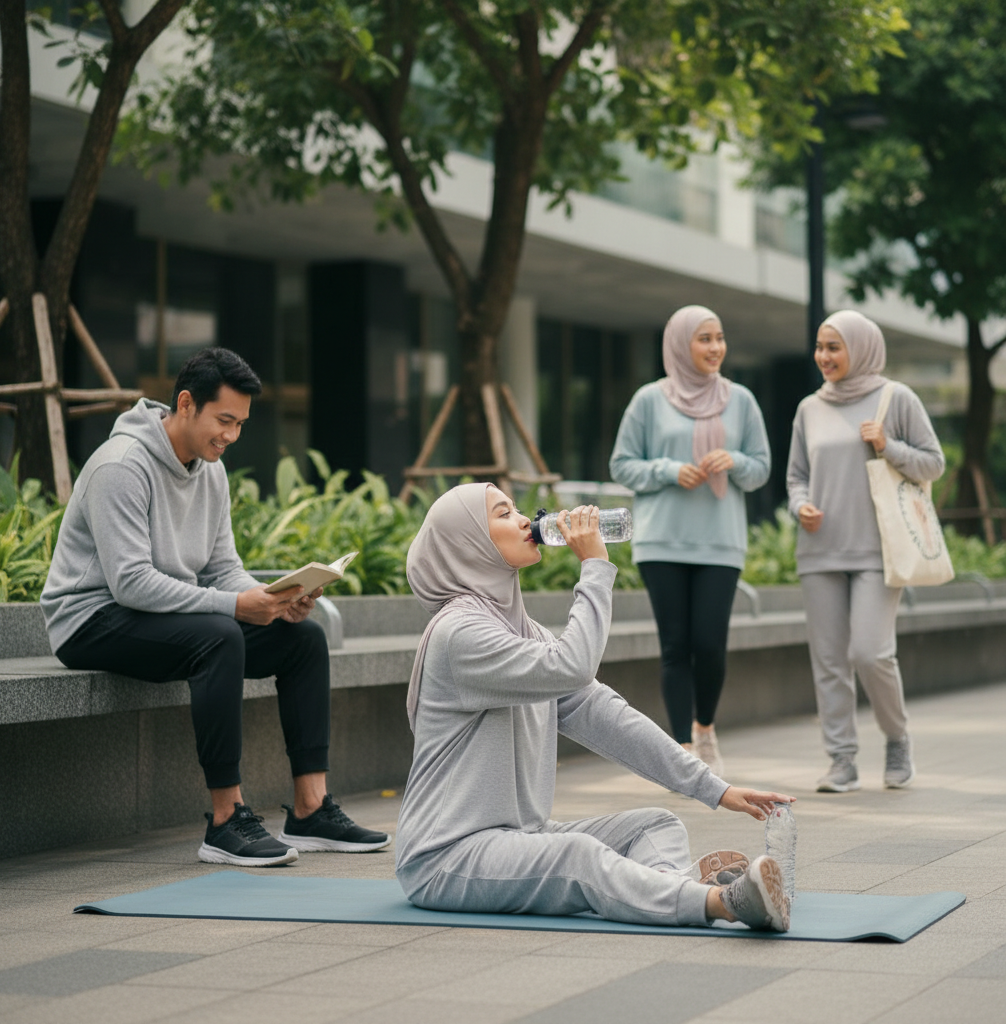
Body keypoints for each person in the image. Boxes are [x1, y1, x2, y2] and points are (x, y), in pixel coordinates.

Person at [41, 347, 390, 865]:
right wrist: (234, 606)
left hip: (159, 616)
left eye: (241, 424)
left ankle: (311, 809)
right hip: (90, 619)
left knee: (303, 640)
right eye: (224, 420)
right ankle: (226, 821)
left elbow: (222, 568)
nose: (231, 435)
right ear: (186, 404)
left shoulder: (211, 471)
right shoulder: (120, 466)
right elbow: (131, 583)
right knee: (220, 635)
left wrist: (274, 601)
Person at [394, 482, 793, 933]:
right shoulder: (458, 634)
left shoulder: (522, 631)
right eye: (503, 514)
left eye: (516, 508)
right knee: (580, 857)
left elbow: (609, 719)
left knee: (654, 825)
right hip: (447, 857)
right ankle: (724, 902)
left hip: (521, 839)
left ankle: (667, 888)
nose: (526, 519)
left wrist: (715, 789)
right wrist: (596, 566)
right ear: (467, 543)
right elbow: (574, 666)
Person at [787, 310, 945, 793]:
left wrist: (889, 446)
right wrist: (800, 506)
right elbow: (796, 476)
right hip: (820, 549)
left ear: (861, 347)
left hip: (879, 550)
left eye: (834, 347)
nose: (824, 356)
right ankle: (842, 759)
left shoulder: (896, 398)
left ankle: (897, 739)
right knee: (829, 659)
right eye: (819, 346)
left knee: (871, 652)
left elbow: (933, 464)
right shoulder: (808, 408)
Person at [609, 305, 770, 775]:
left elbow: (761, 469)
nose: (715, 347)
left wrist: (735, 461)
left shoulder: (741, 400)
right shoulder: (648, 400)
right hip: (662, 542)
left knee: (711, 643)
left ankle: (705, 727)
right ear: (681, 344)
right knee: (676, 646)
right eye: (704, 339)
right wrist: (667, 469)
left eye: (719, 337)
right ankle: (682, 748)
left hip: (720, 542)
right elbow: (621, 464)